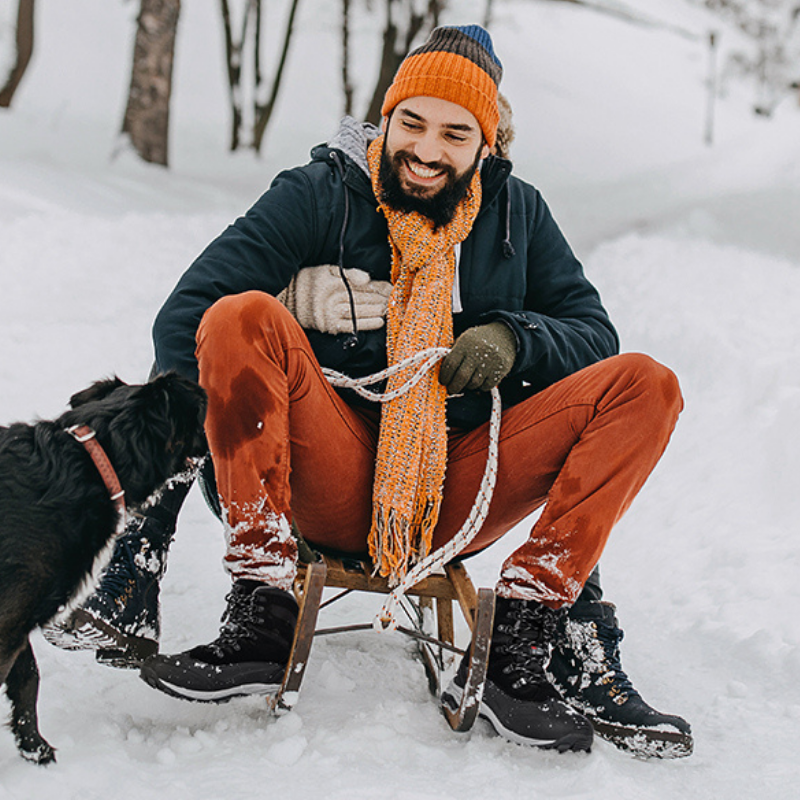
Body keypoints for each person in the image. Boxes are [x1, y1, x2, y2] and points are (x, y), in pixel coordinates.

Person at [47, 25, 692, 757]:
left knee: (647, 384)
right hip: (328, 471)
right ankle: (262, 600)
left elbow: (592, 332)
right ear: (384, 119)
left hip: (458, 486)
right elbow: (186, 319)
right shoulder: (322, 192)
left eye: (454, 132)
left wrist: (516, 338)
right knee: (239, 314)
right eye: (410, 122)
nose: (424, 148)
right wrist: (289, 307)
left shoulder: (517, 214)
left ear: (487, 144)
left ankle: (525, 635)